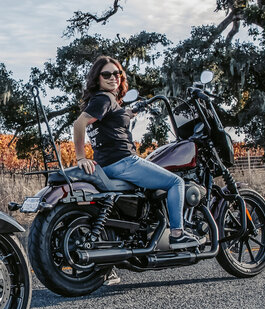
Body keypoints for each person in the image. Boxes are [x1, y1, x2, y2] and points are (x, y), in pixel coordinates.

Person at [72, 55, 201, 250]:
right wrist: (80, 157)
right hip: (123, 162)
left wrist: (129, 113)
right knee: (176, 182)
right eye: (106, 74)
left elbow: (111, 121)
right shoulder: (104, 98)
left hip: (107, 165)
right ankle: (177, 234)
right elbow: (79, 123)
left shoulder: (103, 102)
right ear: (96, 78)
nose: (113, 77)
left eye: (117, 73)